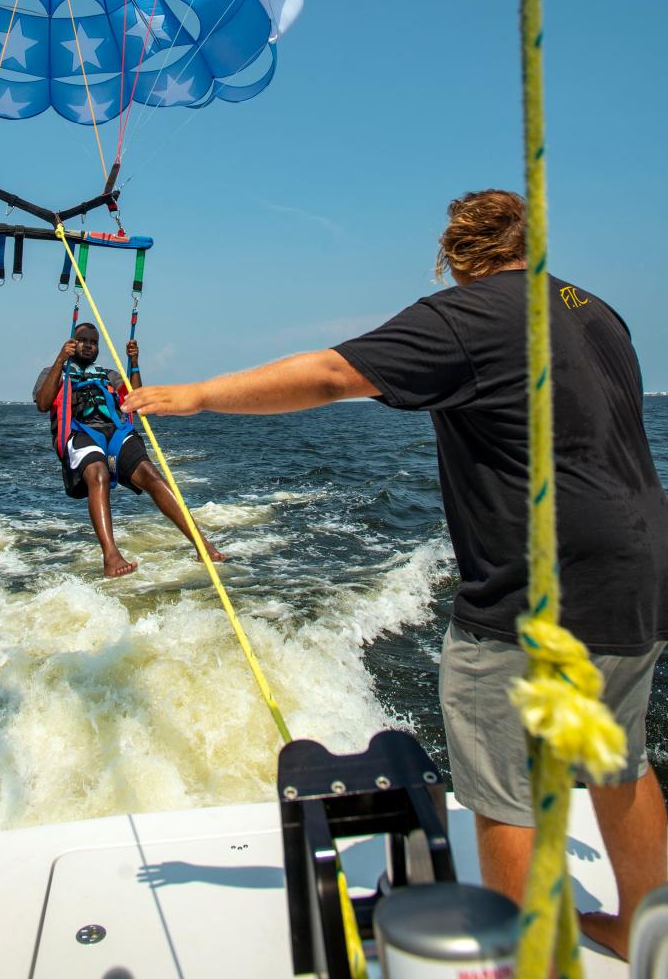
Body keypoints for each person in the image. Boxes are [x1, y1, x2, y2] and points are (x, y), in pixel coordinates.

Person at [122, 190, 668, 958]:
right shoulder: (600, 314)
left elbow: (329, 373)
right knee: (619, 760)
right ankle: (652, 929)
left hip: (540, 588)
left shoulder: (470, 315)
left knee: (504, 791)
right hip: (640, 567)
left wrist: (197, 396)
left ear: (453, 256)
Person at [34, 322, 226, 578]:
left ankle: (201, 544)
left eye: (94, 341)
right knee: (98, 474)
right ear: (72, 342)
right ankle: (111, 556)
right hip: (81, 432)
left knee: (151, 475)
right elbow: (44, 403)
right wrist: (61, 359)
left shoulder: (109, 374)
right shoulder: (55, 371)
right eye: (83, 340)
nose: (89, 345)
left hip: (116, 432)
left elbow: (135, 396)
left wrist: (133, 362)